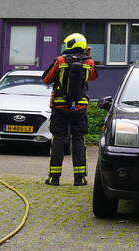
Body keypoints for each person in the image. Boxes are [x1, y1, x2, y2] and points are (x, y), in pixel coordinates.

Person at [41, 33, 97, 186]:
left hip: (60, 107)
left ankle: (54, 178)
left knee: (58, 140)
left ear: (70, 44)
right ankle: (80, 178)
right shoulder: (89, 62)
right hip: (79, 108)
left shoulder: (60, 60)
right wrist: (87, 56)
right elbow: (92, 77)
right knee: (79, 140)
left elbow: (45, 79)